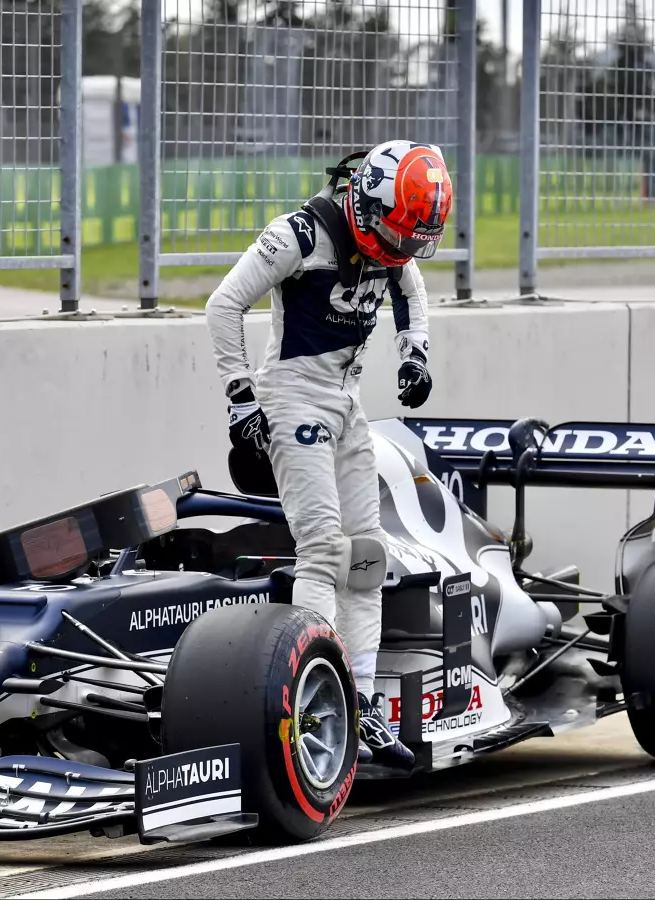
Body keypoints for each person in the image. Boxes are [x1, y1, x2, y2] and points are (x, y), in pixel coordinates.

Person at [204, 140, 453, 769]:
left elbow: (414, 291)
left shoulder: (393, 240)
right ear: (365, 200)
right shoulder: (298, 234)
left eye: (412, 239)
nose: (402, 250)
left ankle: (362, 703)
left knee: (366, 554)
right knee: (319, 550)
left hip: (347, 402)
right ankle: (313, 694)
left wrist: (415, 353)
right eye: (397, 234)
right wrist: (240, 397)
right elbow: (223, 304)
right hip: (293, 399)